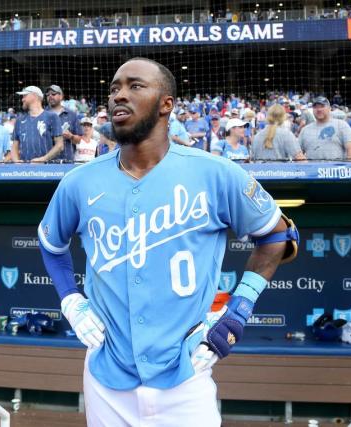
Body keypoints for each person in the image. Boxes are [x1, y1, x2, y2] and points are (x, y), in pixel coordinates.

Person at [38, 57, 298, 427]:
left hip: (187, 374)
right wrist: (70, 299)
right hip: (105, 377)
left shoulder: (215, 172)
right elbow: (51, 244)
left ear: (167, 104)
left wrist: (239, 309)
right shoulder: (79, 182)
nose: (119, 96)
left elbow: (277, 234)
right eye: (114, 89)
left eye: (135, 86)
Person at [12, 86, 63, 162]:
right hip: (24, 170)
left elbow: (60, 146)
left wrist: (43, 159)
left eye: (25, 96)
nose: (22, 99)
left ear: (34, 96)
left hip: (46, 169)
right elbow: (14, 146)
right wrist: (16, 161)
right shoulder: (19, 120)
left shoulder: (52, 117)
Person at [298, 97, 351, 161]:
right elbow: (298, 153)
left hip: (335, 169)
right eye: (316, 107)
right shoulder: (305, 130)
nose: (319, 109)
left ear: (329, 108)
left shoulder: (341, 125)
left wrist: (349, 168)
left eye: (322, 106)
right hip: (312, 169)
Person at [46, 84, 83, 161]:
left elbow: (79, 140)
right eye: (48, 95)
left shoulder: (72, 114)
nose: (50, 96)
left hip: (67, 160)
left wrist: (71, 136)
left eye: (53, 94)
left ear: (61, 96)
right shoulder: (42, 114)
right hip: (47, 160)